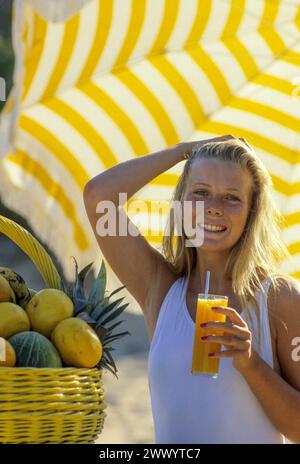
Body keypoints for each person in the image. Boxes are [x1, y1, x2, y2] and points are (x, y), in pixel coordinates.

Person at [83, 135, 300, 444]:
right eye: (200, 192)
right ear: (181, 202)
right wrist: (184, 151)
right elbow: (98, 196)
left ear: (252, 212)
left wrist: (250, 363)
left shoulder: (280, 298)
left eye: (232, 197)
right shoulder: (159, 287)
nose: (213, 207)